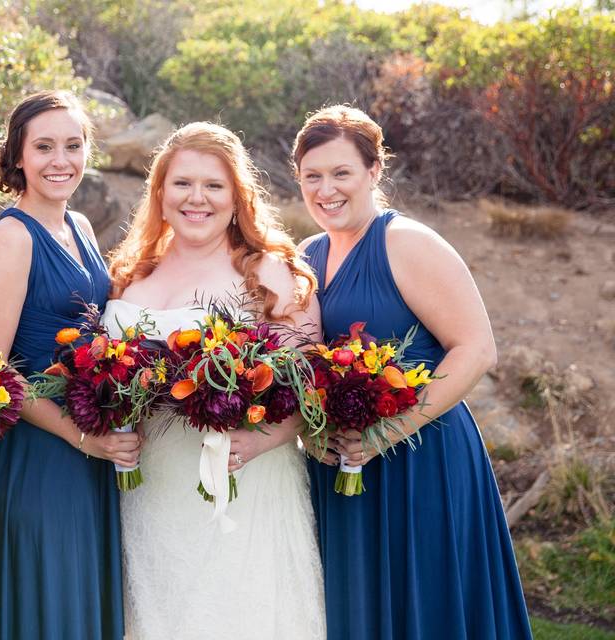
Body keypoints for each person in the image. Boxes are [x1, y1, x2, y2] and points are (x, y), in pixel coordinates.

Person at [292, 105, 532, 639]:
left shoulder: (408, 243)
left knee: (427, 600)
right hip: (341, 460)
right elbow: (300, 362)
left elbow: (475, 349)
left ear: (374, 171)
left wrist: (386, 433)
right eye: (312, 177)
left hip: (422, 455)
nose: (325, 189)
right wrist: (311, 430)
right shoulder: (306, 255)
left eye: (341, 173)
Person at [104, 122, 327, 639]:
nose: (196, 198)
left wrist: (259, 441)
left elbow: (312, 385)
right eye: (182, 183)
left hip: (242, 482)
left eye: (213, 185)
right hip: (147, 488)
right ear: (159, 194)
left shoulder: (270, 274)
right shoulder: (131, 275)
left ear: (237, 198)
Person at [0, 90, 138, 640]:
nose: (60, 160)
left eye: (73, 144)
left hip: (91, 440)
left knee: (84, 598)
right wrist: (78, 437)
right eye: (44, 147)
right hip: (41, 448)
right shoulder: (13, 236)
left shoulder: (83, 226)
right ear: (18, 155)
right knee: (50, 602)